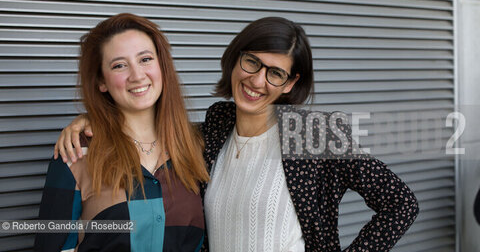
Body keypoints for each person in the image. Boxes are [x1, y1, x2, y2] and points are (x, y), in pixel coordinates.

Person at [55, 17, 419, 251]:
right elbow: (149, 129)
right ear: (236, 59)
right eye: (252, 63)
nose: (258, 81)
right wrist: (95, 121)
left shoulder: (313, 134)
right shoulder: (214, 129)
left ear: (290, 84)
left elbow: (401, 203)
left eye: (276, 73)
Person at [35, 13, 209, 252]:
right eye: (119, 65)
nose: (137, 75)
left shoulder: (197, 146)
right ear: (101, 81)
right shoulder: (76, 153)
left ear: (162, 66)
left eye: (145, 59)